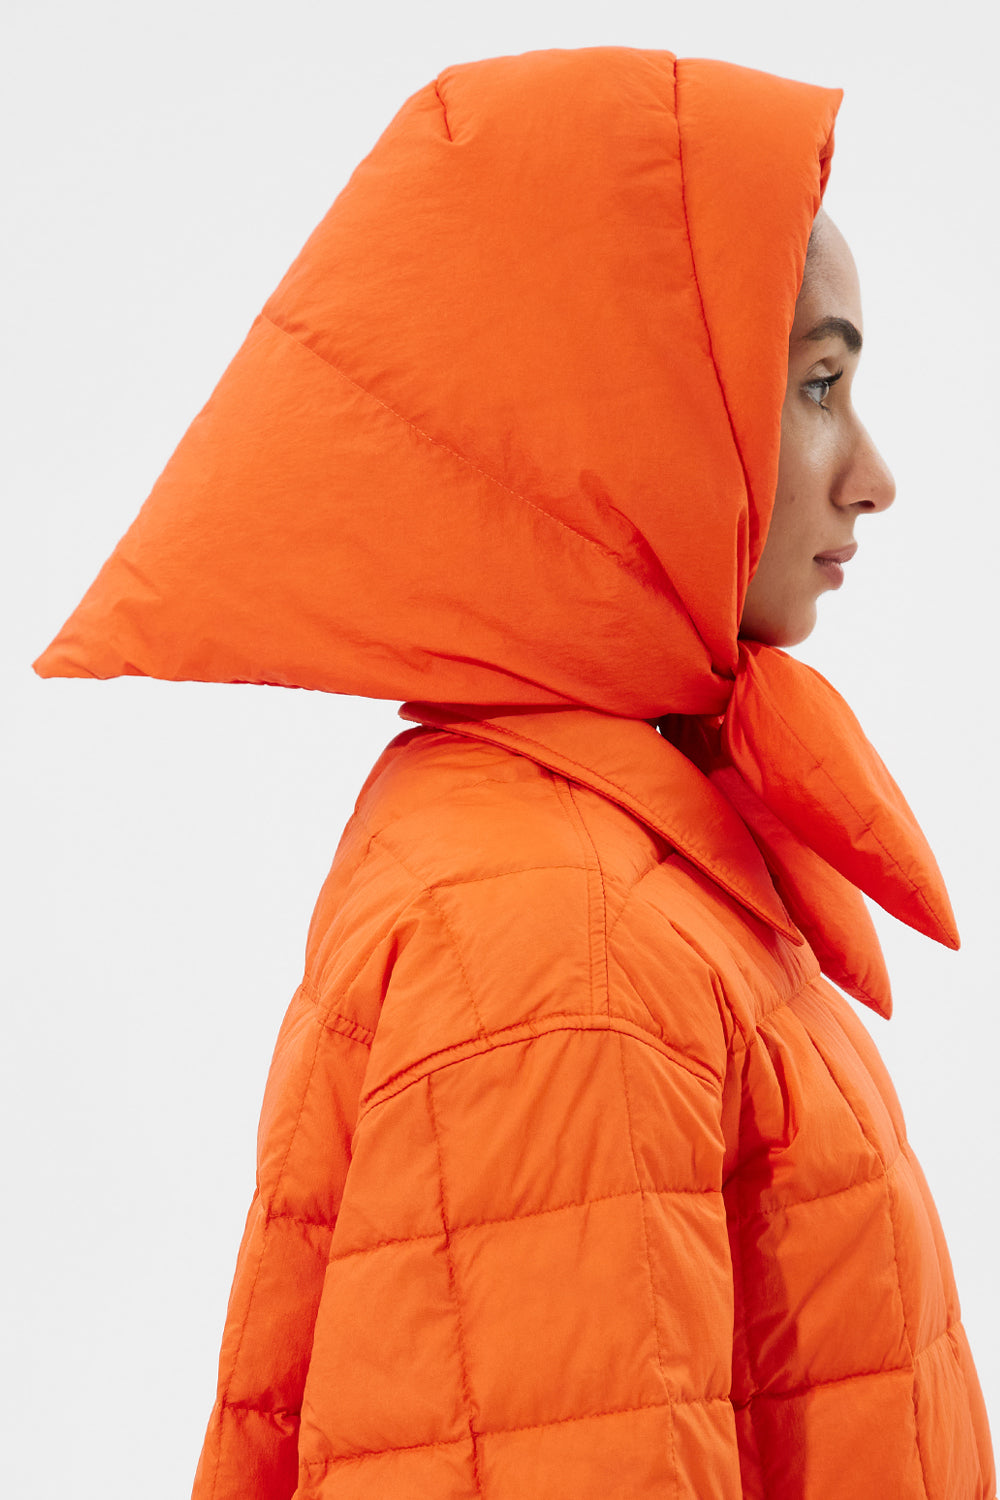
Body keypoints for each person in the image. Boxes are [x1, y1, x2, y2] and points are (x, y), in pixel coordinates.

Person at [33, 44, 994, 1500]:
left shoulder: (629, 849)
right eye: (816, 383)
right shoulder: (561, 933)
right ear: (625, 404)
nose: (873, 474)